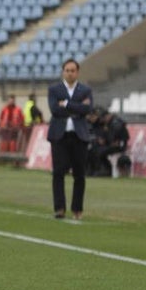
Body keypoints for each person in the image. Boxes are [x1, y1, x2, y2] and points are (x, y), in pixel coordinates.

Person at [47, 59, 93, 219]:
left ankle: (77, 209)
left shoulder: (85, 90)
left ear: (77, 72)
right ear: (63, 71)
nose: (70, 73)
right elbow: (54, 110)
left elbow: (87, 109)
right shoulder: (54, 89)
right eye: (67, 70)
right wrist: (76, 108)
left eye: (73, 70)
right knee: (58, 173)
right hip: (59, 136)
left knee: (79, 174)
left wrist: (66, 104)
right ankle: (59, 208)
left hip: (79, 136)